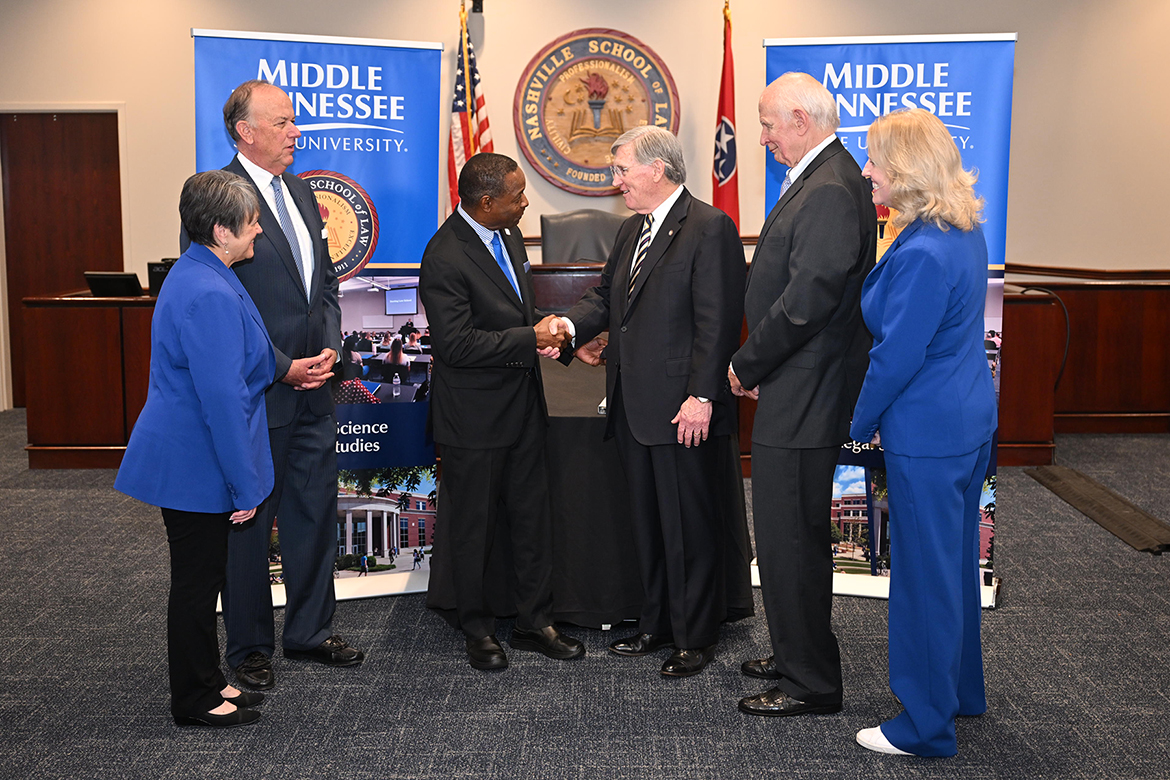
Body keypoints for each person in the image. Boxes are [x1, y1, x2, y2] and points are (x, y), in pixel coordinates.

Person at [549, 126, 746, 677]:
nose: (615, 182)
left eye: (621, 170)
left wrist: (702, 395)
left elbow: (718, 323)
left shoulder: (710, 227)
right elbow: (606, 296)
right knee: (650, 524)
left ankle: (694, 636)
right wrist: (567, 324)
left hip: (684, 408)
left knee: (689, 525)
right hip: (634, 405)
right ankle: (657, 623)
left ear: (657, 169)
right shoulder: (633, 229)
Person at [203, 79, 363, 691]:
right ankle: (248, 647)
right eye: (284, 122)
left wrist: (327, 348)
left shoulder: (300, 190)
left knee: (313, 513)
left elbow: (323, 285)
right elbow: (221, 301)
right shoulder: (218, 196)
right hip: (258, 390)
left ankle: (311, 632)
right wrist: (280, 365)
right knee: (250, 522)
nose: (297, 131)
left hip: (315, 386)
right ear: (246, 131)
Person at [849, 108, 996, 757]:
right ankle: (959, 692)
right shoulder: (959, 231)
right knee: (953, 567)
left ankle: (925, 726)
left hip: (928, 432)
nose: (866, 171)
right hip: (966, 419)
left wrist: (857, 428)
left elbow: (896, 358)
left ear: (904, 168)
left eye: (875, 159)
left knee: (923, 580)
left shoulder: (924, 251)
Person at [728, 72, 876, 715]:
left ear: (799, 119)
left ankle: (810, 681)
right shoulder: (825, 177)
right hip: (799, 381)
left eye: (765, 124)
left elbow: (808, 300)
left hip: (805, 387)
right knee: (787, 533)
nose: (760, 138)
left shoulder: (831, 189)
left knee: (791, 537)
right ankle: (794, 651)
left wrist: (748, 364)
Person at [116, 170, 274, 728]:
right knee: (195, 585)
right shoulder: (208, 291)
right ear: (218, 230)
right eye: (249, 222)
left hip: (193, 453)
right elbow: (223, 400)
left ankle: (208, 682)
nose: (257, 229)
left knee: (200, 579)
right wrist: (244, 483)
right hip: (197, 461)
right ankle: (193, 698)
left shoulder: (202, 271)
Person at [419, 151, 584, 671]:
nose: (525, 202)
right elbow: (456, 345)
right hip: (473, 418)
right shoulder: (444, 255)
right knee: (476, 527)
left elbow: (517, 310)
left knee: (533, 519)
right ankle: (477, 628)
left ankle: (535, 622)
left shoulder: (509, 236)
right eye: (516, 196)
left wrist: (549, 333)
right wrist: (525, 336)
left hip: (523, 408)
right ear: (486, 202)